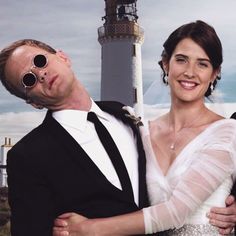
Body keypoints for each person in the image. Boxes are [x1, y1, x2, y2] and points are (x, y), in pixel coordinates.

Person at [0, 38, 235, 236]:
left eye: (39, 61)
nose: (40, 74)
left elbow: (172, 178)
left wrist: (221, 202)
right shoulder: (28, 156)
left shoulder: (123, 114)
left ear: (62, 57)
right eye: (28, 79)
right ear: (32, 103)